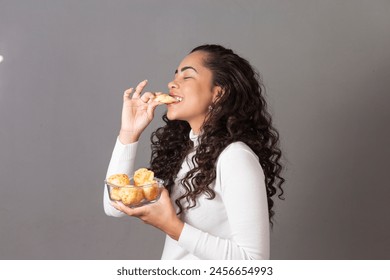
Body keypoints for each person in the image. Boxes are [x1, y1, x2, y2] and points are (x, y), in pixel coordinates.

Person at [104, 44, 285, 260]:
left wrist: (173, 227)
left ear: (218, 93)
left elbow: (253, 262)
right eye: (175, 76)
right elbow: (114, 205)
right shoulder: (185, 152)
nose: (172, 83)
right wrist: (128, 133)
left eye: (187, 77)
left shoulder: (235, 157)